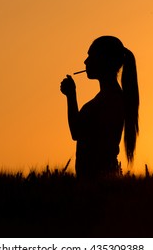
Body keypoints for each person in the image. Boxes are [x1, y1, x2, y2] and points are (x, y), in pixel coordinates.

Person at [60, 36, 139, 179]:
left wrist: (71, 96)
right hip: (99, 181)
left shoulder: (109, 100)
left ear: (104, 60)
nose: (86, 61)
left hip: (97, 181)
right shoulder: (111, 97)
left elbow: (76, 132)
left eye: (91, 56)